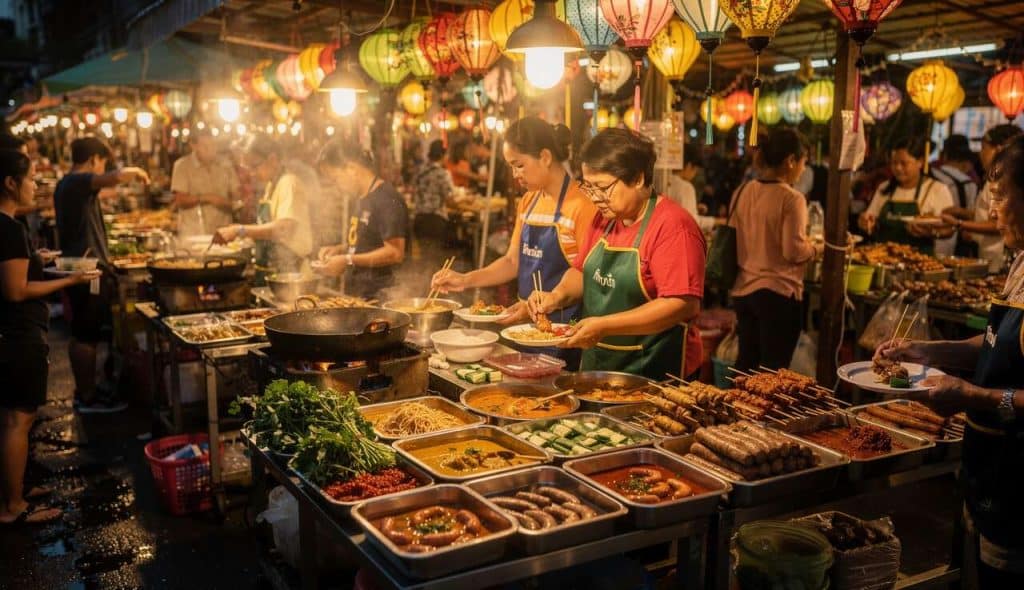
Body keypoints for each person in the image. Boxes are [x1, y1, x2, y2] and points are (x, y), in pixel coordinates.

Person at [874, 135, 1024, 587]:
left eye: (1001, 200)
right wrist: (927, 350)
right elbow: (998, 341)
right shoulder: (1020, 263)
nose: (992, 212)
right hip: (991, 465)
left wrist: (970, 395)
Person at [528, 128, 706, 380]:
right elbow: (581, 271)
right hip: (600, 363)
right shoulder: (604, 219)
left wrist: (604, 326)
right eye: (588, 188)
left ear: (637, 179)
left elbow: (681, 305)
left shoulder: (673, 227)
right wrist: (556, 296)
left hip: (655, 369)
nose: (595, 198)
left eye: (602, 187)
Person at [430, 118, 598, 364]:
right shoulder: (529, 201)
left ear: (545, 156)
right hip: (524, 330)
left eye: (519, 165)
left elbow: (586, 273)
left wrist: (552, 299)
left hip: (564, 332)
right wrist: (465, 280)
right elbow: (511, 261)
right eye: (510, 166)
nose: (514, 174)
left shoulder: (583, 205)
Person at [1, 150, 99, 524]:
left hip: (11, 334)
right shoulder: (8, 228)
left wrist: (37, 260)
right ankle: (12, 507)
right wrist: (71, 280)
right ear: (10, 183)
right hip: (16, 334)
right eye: (29, 180)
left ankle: (14, 489)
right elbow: (15, 291)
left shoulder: (9, 226)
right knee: (17, 420)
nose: (34, 187)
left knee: (12, 418)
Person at [54, 137, 149, 413]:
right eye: (102, 163)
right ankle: (88, 397)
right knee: (86, 333)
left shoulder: (69, 186)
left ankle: (88, 390)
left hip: (84, 266)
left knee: (85, 331)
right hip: (85, 268)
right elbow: (111, 179)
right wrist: (133, 172)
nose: (102, 169)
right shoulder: (75, 182)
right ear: (94, 159)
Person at [729, 129, 822, 371]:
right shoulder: (792, 199)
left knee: (746, 365)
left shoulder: (742, 191)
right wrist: (817, 249)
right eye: (803, 163)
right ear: (791, 161)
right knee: (773, 372)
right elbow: (793, 252)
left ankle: (735, 408)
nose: (803, 169)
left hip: (743, 292)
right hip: (777, 295)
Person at [314, 139, 408, 300]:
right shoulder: (361, 197)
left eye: (336, 178)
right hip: (359, 295)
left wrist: (347, 260)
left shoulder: (387, 198)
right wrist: (340, 249)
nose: (336, 185)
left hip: (381, 296)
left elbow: (395, 252)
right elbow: (368, 241)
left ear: (351, 169)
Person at [213, 134, 313, 282]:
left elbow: (284, 228)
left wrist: (240, 230)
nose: (252, 174)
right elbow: (267, 228)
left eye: (254, 167)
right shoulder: (271, 185)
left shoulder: (288, 183)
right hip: (273, 272)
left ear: (272, 160)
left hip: (292, 275)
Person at [943, 124, 1023, 273]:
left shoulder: (1006, 183)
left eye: (984, 148)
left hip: (998, 259)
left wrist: (960, 224)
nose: (980, 154)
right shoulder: (992, 181)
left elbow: (994, 223)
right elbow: (985, 215)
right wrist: (961, 212)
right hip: (989, 256)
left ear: (1000, 149)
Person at [858, 137, 955, 254]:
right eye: (894, 163)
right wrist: (865, 222)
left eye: (904, 163)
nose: (898, 168)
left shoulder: (937, 190)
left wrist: (931, 233)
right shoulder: (884, 187)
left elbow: (949, 229)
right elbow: (871, 218)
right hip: (883, 257)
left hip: (919, 261)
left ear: (920, 162)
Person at [170, 127, 239, 238]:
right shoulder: (182, 166)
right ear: (194, 146)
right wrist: (209, 198)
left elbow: (237, 197)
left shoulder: (226, 165)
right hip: (192, 234)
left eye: (213, 145)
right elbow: (180, 200)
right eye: (205, 146)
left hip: (222, 233)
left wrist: (229, 203)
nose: (211, 149)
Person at [932, 135, 980, 257]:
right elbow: (973, 214)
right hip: (957, 244)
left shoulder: (930, 174)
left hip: (929, 237)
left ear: (945, 156)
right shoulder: (969, 183)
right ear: (967, 163)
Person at [413, 140, 458, 267]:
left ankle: (423, 284)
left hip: (419, 219)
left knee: (424, 259)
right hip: (435, 221)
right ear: (443, 155)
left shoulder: (419, 171)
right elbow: (450, 200)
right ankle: (432, 285)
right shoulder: (442, 174)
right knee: (434, 261)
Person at [666, 143, 718, 233]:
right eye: (695, 170)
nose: (695, 174)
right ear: (689, 165)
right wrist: (718, 221)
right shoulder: (686, 187)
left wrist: (694, 208)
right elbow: (693, 222)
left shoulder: (664, 180)